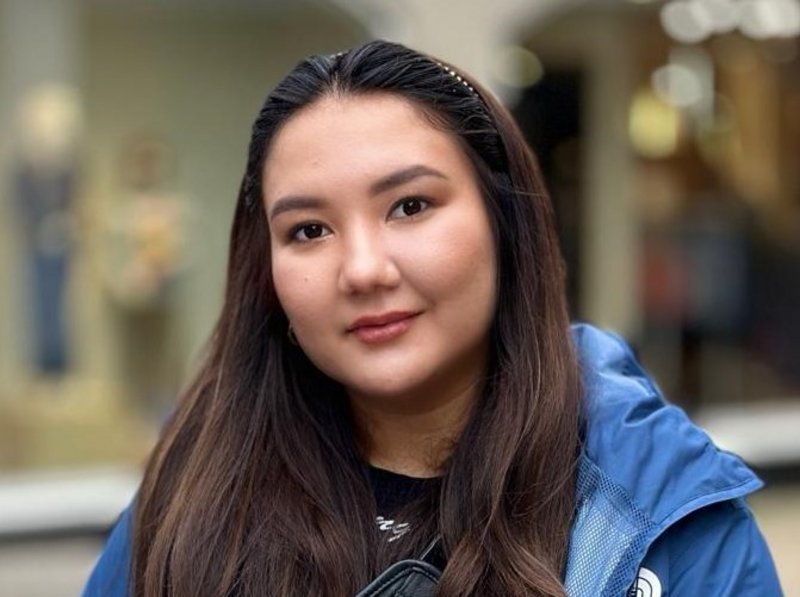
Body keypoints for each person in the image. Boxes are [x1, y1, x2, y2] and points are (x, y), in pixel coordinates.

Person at [83, 41, 782, 596]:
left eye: (410, 206)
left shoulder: (664, 516)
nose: (363, 269)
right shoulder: (192, 498)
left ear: (506, 223)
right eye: (308, 230)